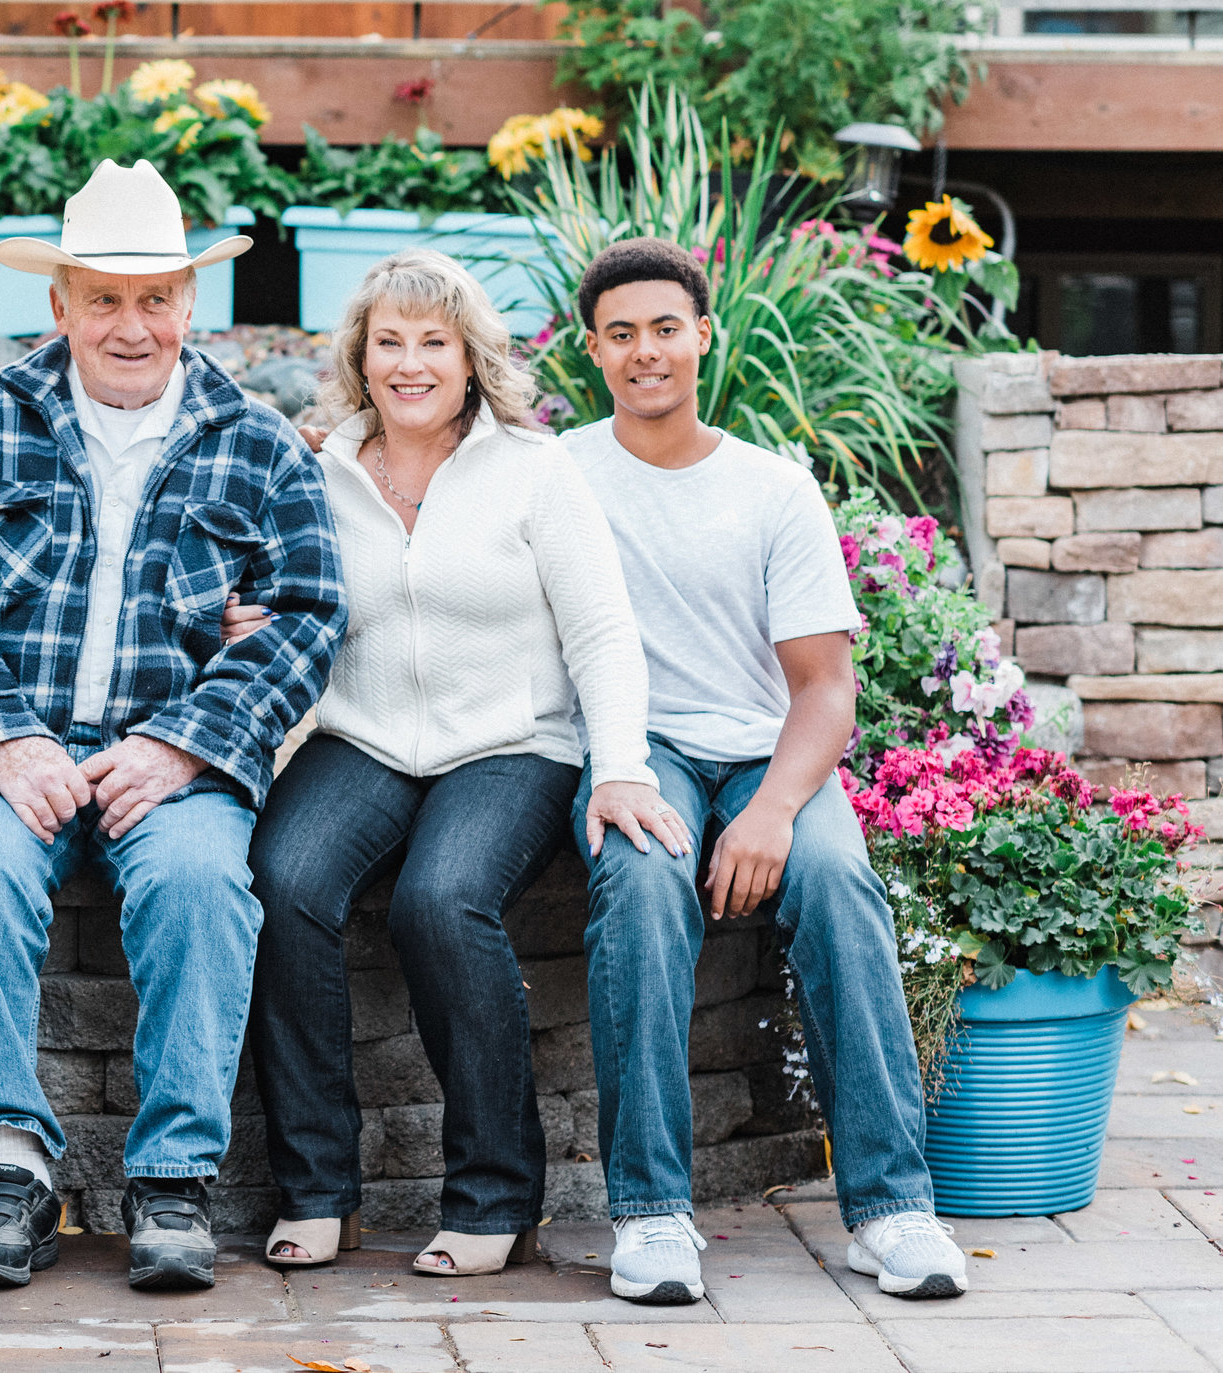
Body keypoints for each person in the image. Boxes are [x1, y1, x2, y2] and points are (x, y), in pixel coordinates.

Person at [0, 159, 345, 1292]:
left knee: (200, 885)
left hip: (173, 755)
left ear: (191, 306)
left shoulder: (258, 442)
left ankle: (171, 1179)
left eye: (154, 299)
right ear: (59, 306)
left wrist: (184, 742)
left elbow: (307, 617)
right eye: (103, 298)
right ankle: (10, 1171)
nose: (130, 325)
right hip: (11, 747)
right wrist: (4, 736)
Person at [223, 250, 673, 1277]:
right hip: (366, 735)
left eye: (434, 343)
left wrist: (622, 766)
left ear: (471, 359)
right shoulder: (319, 467)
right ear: (360, 355)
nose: (410, 363)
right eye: (390, 342)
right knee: (279, 877)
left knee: (441, 895)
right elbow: (277, 595)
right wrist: (242, 614)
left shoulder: (533, 467)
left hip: (512, 740)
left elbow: (601, 631)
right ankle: (317, 1188)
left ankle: (493, 1194)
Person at [561, 237, 965, 1305]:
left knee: (836, 882)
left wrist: (776, 812)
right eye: (620, 334)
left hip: (765, 749)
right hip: (635, 753)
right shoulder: (557, 473)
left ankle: (891, 1209)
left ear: (703, 335)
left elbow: (825, 688)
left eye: (663, 327)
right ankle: (650, 1215)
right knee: (642, 887)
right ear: (591, 351)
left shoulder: (771, 488)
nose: (644, 351)